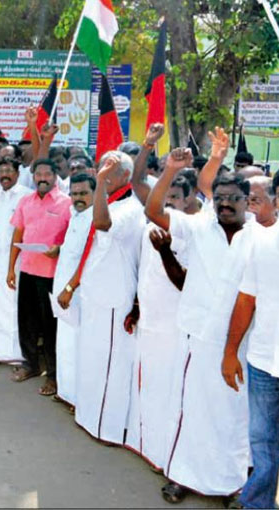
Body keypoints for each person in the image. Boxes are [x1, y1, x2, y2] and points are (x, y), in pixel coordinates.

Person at [144, 131, 253, 503]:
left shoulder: (258, 235)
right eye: (219, 198)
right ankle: (182, 475)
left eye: (233, 199)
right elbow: (154, 212)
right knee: (190, 409)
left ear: (247, 202)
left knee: (232, 415)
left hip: (240, 342)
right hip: (196, 335)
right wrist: (171, 170)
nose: (224, 204)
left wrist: (218, 157)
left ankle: (230, 482)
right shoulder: (199, 224)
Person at [60, 151, 143, 446]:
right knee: (92, 359)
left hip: (113, 297)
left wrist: (99, 183)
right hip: (94, 294)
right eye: (102, 166)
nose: (104, 172)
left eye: (111, 169)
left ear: (124, 177)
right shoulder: (111, 201)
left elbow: (103, 225)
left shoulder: (129, 208)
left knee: (111, 364)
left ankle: (107, 428)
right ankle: (90, 416)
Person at [123, 176, 195, 470]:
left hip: (175, 326)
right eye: (163, 198)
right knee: (147, 383)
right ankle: (147, 445)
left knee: (171, 389)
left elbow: (184, 283)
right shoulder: (148, 230)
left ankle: (168, 454)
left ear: (187, 201)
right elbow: (143, 271)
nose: (168, 204)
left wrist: (165, 251)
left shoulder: (191, 233)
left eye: (174, 198)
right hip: (150, 320)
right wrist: (137, 307)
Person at [221, 215, 279, 509]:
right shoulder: (265, 243)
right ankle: (258, 504)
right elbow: (246, 299)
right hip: (264, 360)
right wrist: (230, 352)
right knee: (262, 440)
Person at [6, 158, 71, 395]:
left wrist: (59, 249)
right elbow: (18, 234)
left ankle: (53, 376)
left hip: (52, 275)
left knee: (50, 326)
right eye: (38, 174)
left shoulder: (67, 203)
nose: (42, 178)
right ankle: (30, 365)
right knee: (27, 322)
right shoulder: (26, 202)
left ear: (55, 177)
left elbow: (73, 238)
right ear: (33, 177)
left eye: (47, 174)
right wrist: (11, 268)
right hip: (28, 270)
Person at [50, 172, 95, 410]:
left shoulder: (93, 219)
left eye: (83, 193)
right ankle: (66, 391)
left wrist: (69, 288)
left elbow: (86, 260)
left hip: (77, 293)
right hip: (63, 292)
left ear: (94, 194)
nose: (78, 198)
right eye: (74, 194)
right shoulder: (75, 215)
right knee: (65, 344)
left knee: (78, 347)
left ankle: (78, 399)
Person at [0, 156, 32, 367]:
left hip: (20, 261)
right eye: (1, 171)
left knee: (16, 307)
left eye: (8, 171)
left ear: (17, 173)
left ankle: (18, 354)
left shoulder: (26, 197)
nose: (4, 175)